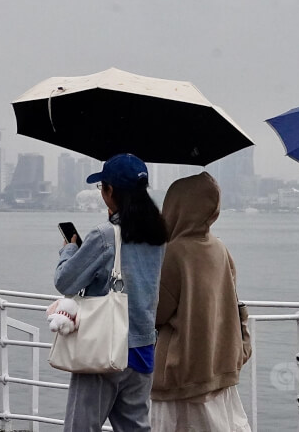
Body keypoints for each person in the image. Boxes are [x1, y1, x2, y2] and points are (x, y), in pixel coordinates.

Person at [54, 153, 168, 432]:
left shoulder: (105, 235)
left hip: (105, 343)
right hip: (143, 345)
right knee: (135, 427)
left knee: (81, 426)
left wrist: (70, 248)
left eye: (101, 186)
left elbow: (65, 281)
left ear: (110, 191)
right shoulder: (158, 234)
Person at [151, 172, 252, 432]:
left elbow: (157, 313)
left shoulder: (173, 253)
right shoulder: (220, 249)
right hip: (219, 366)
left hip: (181, 375)